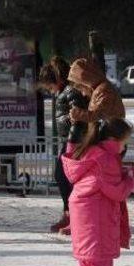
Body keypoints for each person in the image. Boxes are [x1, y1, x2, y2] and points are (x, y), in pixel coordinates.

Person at [61, 119, 134, 266]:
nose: (124, 147)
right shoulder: (107, 159)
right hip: (98, 214)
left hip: (81, 210)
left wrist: (126, 172)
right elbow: (118, 192)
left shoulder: (89, 152)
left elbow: (99, 178)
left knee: (86, 261)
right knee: (102, 262)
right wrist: (132, 180)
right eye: (124, 142)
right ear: (114, 140)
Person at [38, 56, 89, 235]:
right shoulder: (64, 92)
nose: (51, 92)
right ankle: (69, 214)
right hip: (68, 140)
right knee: (62, 177)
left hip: (75, 142)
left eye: (50, 87)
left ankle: (74, 217)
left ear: (57, 80)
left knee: (65, 177)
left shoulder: (71, 91)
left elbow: (78, 118)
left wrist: (72, 142)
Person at [67, 58, 125, 125]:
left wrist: (78, 114)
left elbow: (98, 115)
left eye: (82, 89)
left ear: (86, 82)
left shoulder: (104, 90)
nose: (83, 94)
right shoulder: (99, 89)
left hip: (112, 132)